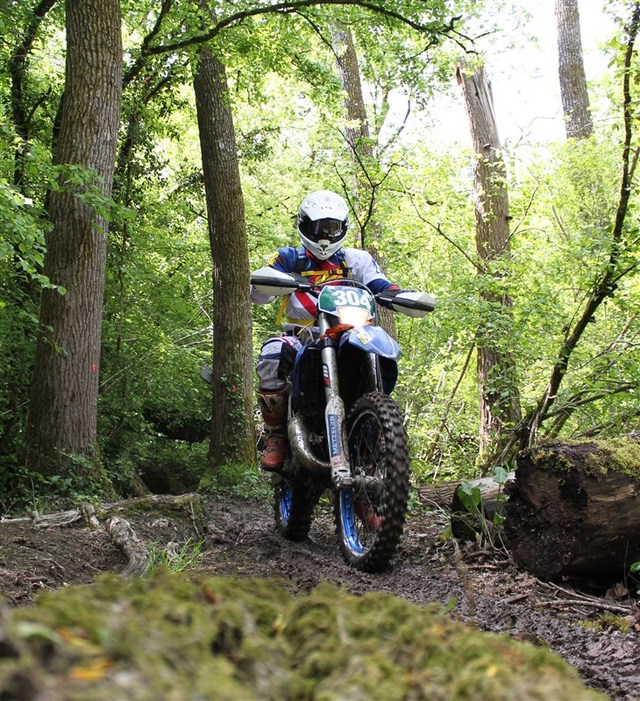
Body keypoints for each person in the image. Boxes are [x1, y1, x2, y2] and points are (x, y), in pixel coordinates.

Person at [250, 189, 405, 475]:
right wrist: (268, 282)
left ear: (342, 228)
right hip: (302, 334)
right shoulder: (289, 258)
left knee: (377, 349)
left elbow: (380, 283)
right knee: (272, 353)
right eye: (319, 228)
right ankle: (276, 435)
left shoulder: (356, 259)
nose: (325, 236)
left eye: (332, 228)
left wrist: (399, 295)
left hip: (348, 331)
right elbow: (257, 293)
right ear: (305, 225)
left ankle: (378, 432)